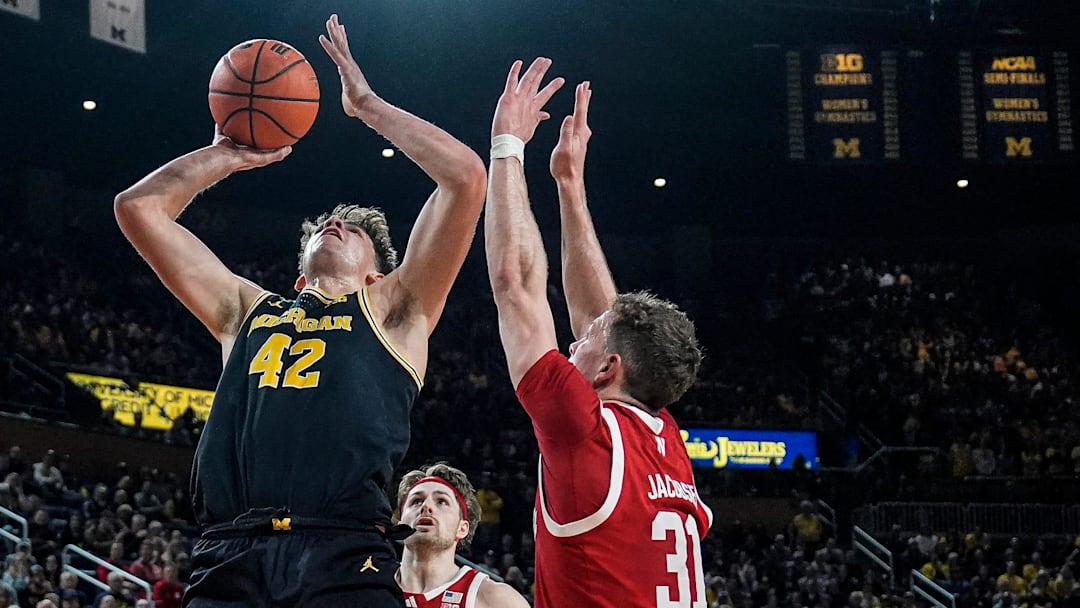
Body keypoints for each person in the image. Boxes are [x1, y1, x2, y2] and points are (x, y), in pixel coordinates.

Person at [113, 13, 486, 608]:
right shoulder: (247, 311)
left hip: (344, 552)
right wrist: (227, 155)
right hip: (231, 552)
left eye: (351, 230)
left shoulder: (394, 310)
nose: (334, 223)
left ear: (376, 275)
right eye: (324, 226)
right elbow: (138, 209)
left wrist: (367, 107)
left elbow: (465, 178)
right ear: (298, 274)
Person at [484, 58, 712, 607]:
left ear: (611, 368)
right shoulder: (663, 439)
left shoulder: (582, 430)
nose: (574, 340)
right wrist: (570, 186)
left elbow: (515, 283)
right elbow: (608, 322)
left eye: (586, 341)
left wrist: (507, 146)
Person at [395, 463, 529, 607]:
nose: (426, 506)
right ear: (399, 524)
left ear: (462, 528)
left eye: (441, 501)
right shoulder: (377, 583)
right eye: (416, 501)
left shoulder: (496, 600)